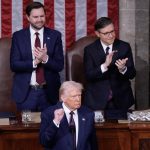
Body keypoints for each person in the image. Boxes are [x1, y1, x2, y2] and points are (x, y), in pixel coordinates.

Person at [10, 2, 64, 111]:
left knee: (51, 127)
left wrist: (45, 59)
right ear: (28, 17)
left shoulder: (55, 35)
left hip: (49, 93)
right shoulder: (18, 36)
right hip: (26, 93)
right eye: (35, 17)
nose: (39, 19)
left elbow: (59, 65)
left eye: (42, 16)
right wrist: (35, 62)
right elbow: (14, 65)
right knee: (26, 127)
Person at [83, 17, 136, 119]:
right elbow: (89, 75)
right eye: (106, 33)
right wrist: (104, 66)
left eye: (112, 31)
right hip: (97, 100)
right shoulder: (90, 50)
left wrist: (123, 69)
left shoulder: (124, 47)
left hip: (121, 100)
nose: (111, 35)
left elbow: (132, 73)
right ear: (98, 34)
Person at [40, 81, 98, 150]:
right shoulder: (49, 113)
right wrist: (55, 122)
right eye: (74, 96)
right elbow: (44, 141)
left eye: (79, 95)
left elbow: (93, 143)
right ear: (63, 98)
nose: (78, 99)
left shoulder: (88, 114)